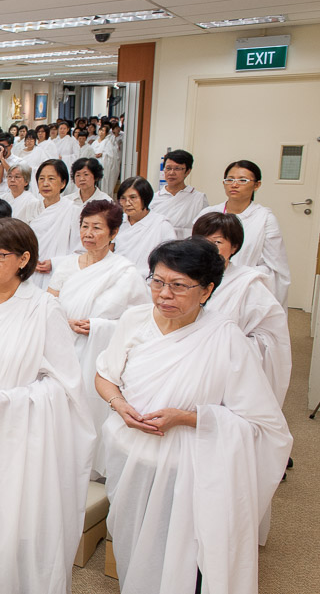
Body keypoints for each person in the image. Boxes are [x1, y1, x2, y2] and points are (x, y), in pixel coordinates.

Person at [95, 239, 292, 594]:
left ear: (207, 290)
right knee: (133, 545)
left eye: (179, 285)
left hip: (189, 471)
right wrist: (118, 404)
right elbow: (105, 375)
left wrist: (185, 418)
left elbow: (262, 424)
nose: (164, 294)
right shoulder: (134, 319)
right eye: (157, 281)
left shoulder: (225, 338)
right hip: (130, 456)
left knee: (181, 562)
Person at [0, 218, 94, 594]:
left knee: (18, 508)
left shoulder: (43, 308)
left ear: (24, 259)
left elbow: (64, 383)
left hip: (22, 426)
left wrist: (10, 402)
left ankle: (18, 579)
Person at [47, 200, 148, 476]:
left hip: (100, 354)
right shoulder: (68, 265)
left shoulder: (125, 272)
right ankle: (59, 461)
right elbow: (48, 304)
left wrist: (100, 326)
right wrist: (64, 321)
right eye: (84, 226)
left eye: (97, 228)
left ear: (114, 233)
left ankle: (88, 466)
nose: (88, 233)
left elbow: (141, 321)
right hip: (62, 347)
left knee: (90, 410)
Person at [193, 212, 291, 408]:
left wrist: (228, 346)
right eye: (200, 241)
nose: (207, 249)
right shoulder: (186, 277)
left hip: (226, 368)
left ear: (234, 247)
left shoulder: (248, 284)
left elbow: (270, 339)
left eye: (217, 242)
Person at [198, 160, 290, 308]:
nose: (234, 184)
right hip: (207, 283)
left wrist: (236, 276)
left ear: (257, 185)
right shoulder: (208, 214)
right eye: (230, 179)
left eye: (243, 180)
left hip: (246, 287)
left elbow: (275, 267)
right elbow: (194, 251)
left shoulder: (264, 218)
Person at [30, 160, 81, 290]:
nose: (45, 183)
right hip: (31, 272)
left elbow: (81, 250)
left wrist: (54, 263)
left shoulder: (74, 211)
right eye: (41, 179)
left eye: (51, 178)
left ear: (63, 183)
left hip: (59, 275)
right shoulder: (31, 208)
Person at [115, 176, 176, 277]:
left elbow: (171, 259)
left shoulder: (161, 224)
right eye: (123, 198)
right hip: (117, 278)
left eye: (133, 198)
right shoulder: (117, 222)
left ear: (145, 198)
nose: (127, 203)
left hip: (147, 282)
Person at [149, 150, 209, 238]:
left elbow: (206, 228)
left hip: (187, 248)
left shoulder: (198, 198)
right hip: (159, 247)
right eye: (168, 168)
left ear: (188, 171)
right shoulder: (153, 198)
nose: (171, 173)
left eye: (177, 168)